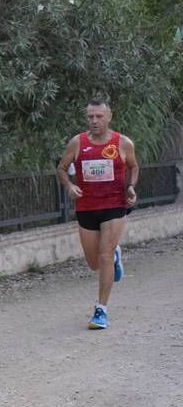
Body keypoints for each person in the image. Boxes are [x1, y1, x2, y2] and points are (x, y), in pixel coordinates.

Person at [56, 98, 139, 330]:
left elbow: (134, 166)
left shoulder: (123, 143)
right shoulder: (77, 143)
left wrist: (131, 187)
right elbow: (62, 168)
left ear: (109, 116)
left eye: (99, 116)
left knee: (104, 253)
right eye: (90, 116)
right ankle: (114, 257)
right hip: (86, 207)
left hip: (114, 204)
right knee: (94, 263)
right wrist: (69, 186)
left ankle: (101, 310)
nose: (94, 120)